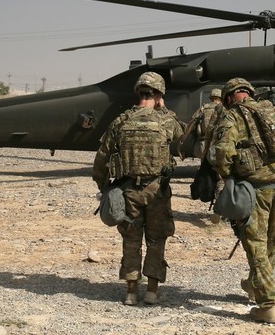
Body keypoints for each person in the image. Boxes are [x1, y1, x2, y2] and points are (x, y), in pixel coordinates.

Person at [208, 77, 275, 324]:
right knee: (269, 245)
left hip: (253, 189)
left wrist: (227, 176)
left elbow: (222, 154)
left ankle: (268, 305)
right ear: (249, 93)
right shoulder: (274, 112)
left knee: (256, 245)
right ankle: (254, 285)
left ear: (228, 98)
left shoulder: (232, 117)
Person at [92, 71, 184, 306]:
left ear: (138, 92)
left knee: (131, 240)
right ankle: (152, 291)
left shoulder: (122, 121)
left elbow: (102, 157)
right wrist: (163, 109)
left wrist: (103, 187)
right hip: (157, 190)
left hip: (128, 190)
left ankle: (131, 292)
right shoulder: (165, 120)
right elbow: (181, 135)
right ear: (159, 94)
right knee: (156, 239)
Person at [180, 88, 223, 159]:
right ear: (220, 98)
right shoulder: (223, 109)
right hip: (218, 142)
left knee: (204, 162)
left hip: (203, 142)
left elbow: (193, 121)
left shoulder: (203, 108)